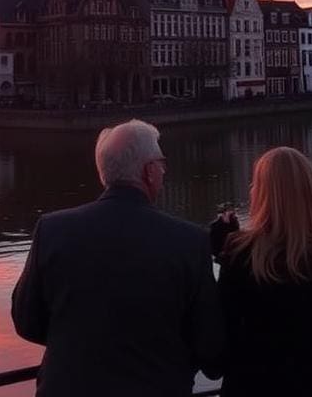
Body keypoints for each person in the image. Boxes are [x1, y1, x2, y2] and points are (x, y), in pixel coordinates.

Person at [11, 119, 223, 397]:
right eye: (161, 162)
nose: (165, 170)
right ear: (148, 172)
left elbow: (27, 321)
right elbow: (212, 352)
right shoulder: (189, 241)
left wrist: (79, 343)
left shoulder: (53, 230)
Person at [209, 146, 312, 397]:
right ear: (311, 190)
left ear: (265, 194)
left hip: (259, 384)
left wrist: (224, 254)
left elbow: (224, 328)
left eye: (255, 183)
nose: (251, 190)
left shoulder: (244, 255)